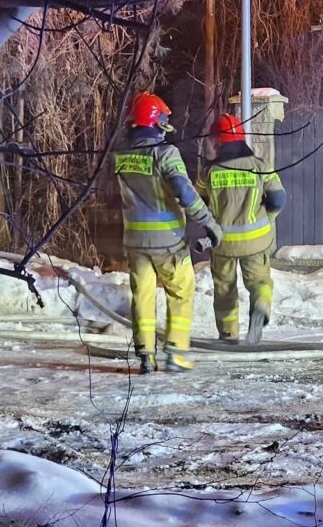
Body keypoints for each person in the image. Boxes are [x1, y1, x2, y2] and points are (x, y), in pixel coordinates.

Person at [114, 92, 224, 374]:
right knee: (181, 291)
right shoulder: (165, 153)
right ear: (156, 122)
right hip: (168, 241)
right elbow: (185, 192)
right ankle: (175, 353)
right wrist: (209, 223)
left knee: (143, 296)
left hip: (134, 241)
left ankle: (145, 357)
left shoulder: (121, 156)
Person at [198, 113, 287, 345]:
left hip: (223, 243)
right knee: (260, 282)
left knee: (224, 289)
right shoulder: (259, 166)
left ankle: (228, 335)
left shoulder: (209, 172)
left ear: (217, 141)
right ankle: (260, 305)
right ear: (241, 138)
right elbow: (278, 198)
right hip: (256, 241)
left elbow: (198, 203)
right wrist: (267, 218)